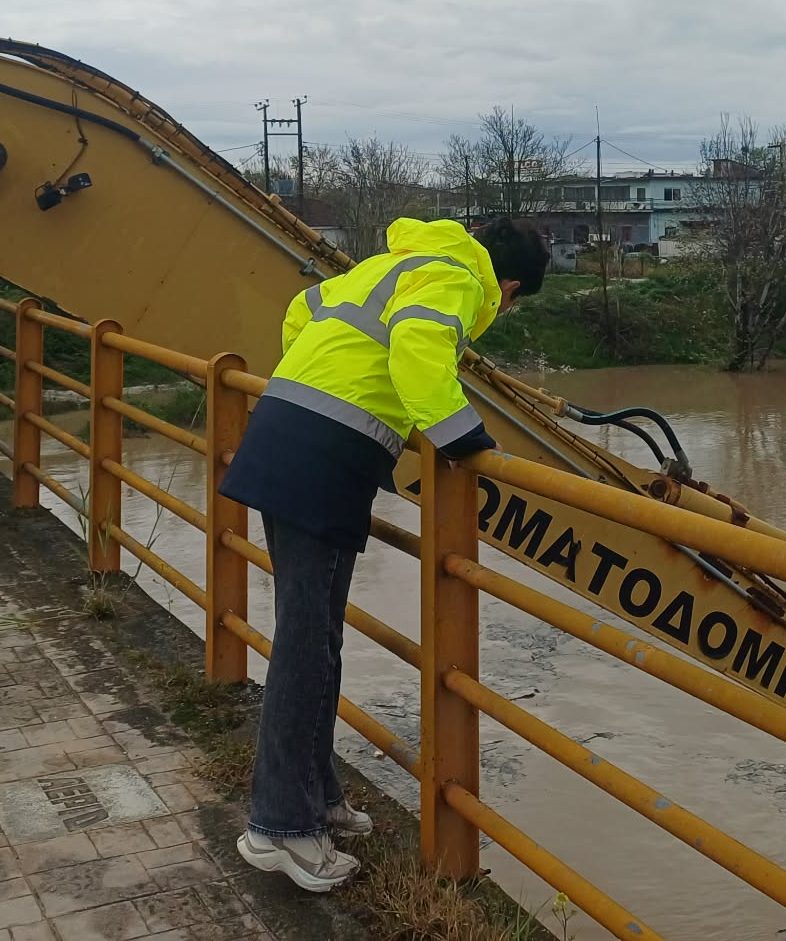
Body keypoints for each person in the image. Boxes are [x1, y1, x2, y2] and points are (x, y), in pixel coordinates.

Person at [219, 216, 549, 894]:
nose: (503, 310)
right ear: (510, 285)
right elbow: (417, 350)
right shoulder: (458, 279)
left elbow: (301, 312)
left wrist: (322, 388)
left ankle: (316, 796)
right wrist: (465, 440)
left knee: (316, 635)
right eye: (512, 304)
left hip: (288, 434)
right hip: (324, 455)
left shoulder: (391, 263)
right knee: (307, 644)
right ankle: (279, 827)